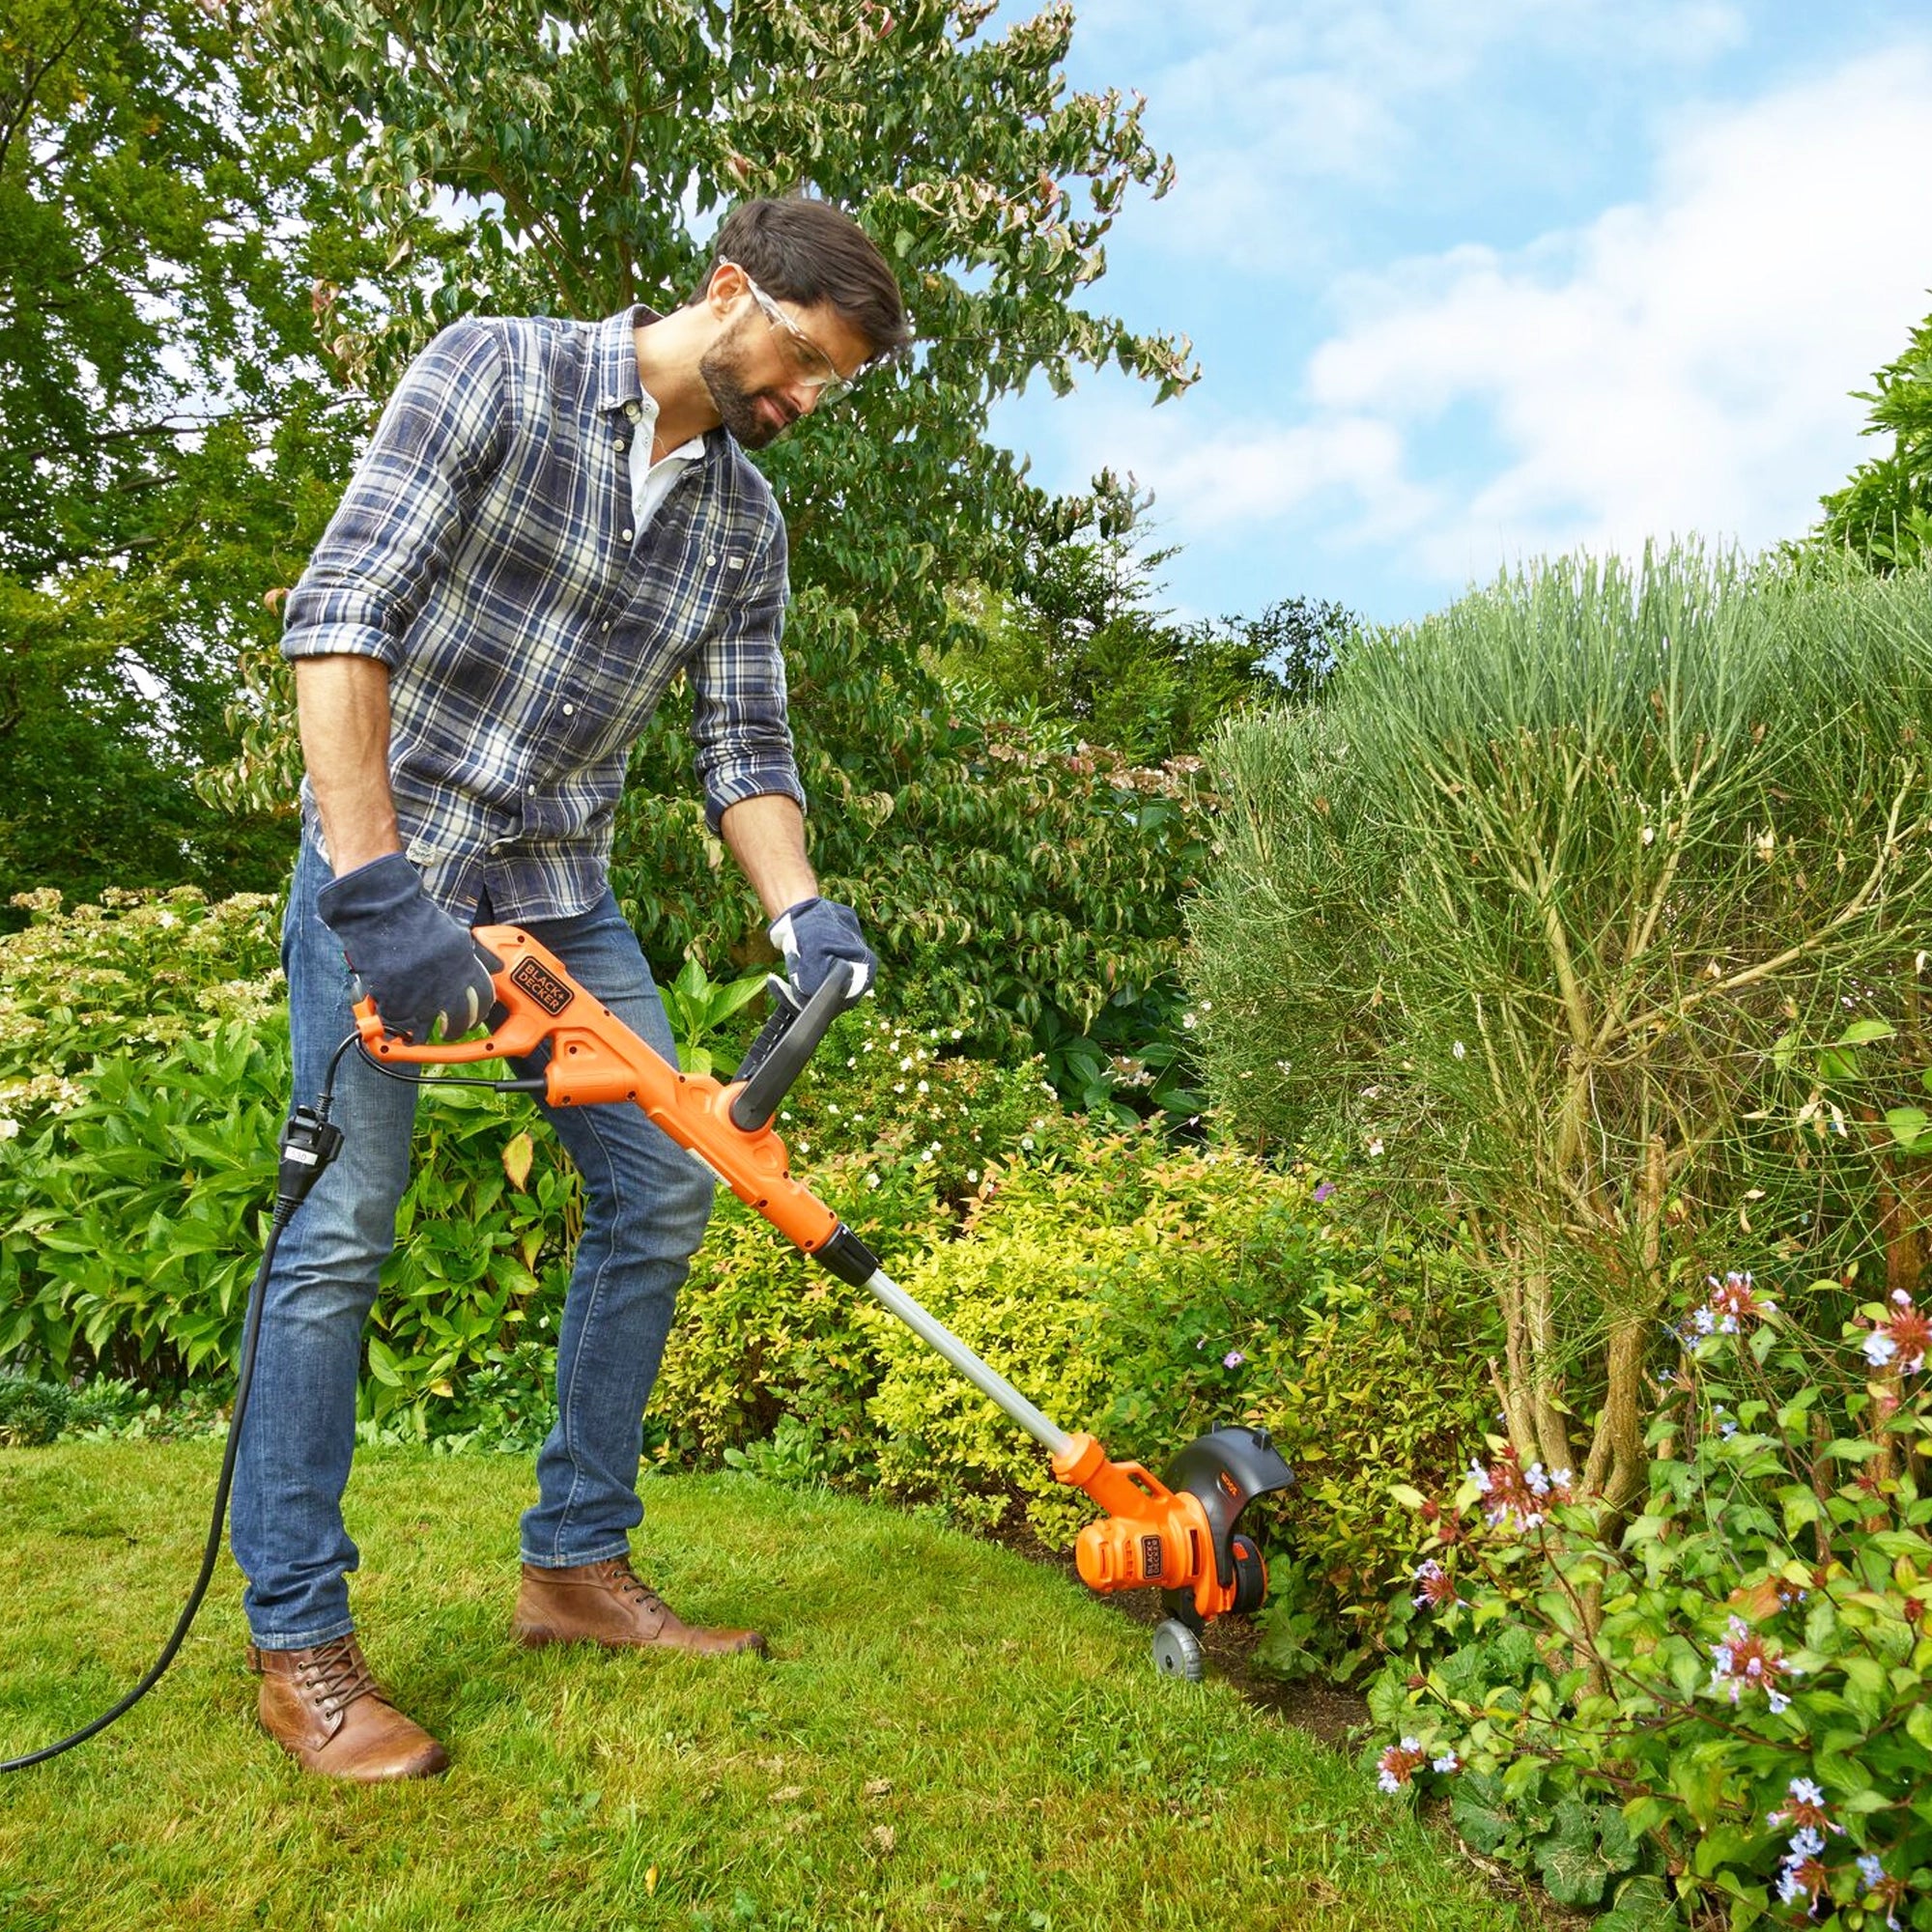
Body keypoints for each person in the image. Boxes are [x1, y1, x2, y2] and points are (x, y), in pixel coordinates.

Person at [231, 196, 913, 1781]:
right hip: (388, 864)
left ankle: (575, 1566)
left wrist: (801, 910)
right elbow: (341, 616)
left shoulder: (743, 524)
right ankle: (299, 1644)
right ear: (731, 290)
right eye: (806, 360)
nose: (809, 399)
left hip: (560, 898)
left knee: (666, 1184)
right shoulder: (497, 371)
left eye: (836, 384)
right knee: (339, 1235)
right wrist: (375, 890)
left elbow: (743, 741)